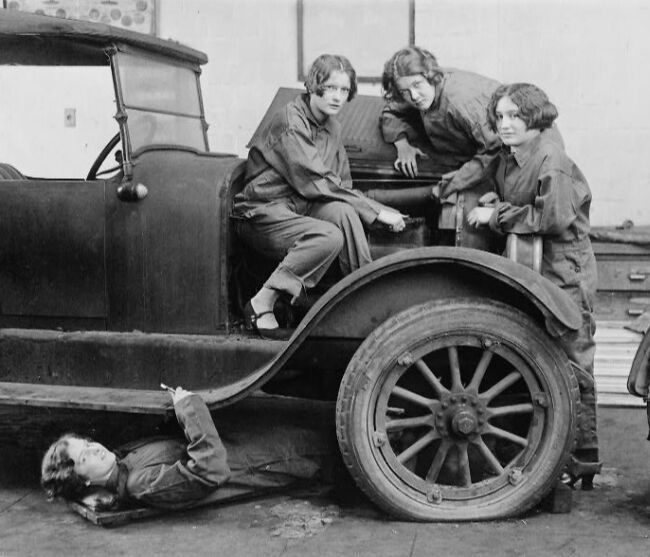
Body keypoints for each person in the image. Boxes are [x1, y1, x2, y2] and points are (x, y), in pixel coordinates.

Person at [466, 83, 601, 489]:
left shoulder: (550, 158)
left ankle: (583, 458)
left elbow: (552, 219)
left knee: (573, 355)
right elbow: (506, 188)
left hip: (565, 266)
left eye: (514, 117)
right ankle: (549, 454)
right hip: (533, 264)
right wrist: (493, 195)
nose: (505, 125)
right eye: (501, 117)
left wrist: (494, 216)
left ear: (534, 119)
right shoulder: (511, 157)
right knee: (538, 353)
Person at [234, 54, 405, 334]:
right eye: (331, 88)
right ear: (314, 85)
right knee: (328, 236)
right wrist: (376, 212)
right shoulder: (290, 120)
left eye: (344, 90)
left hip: (301, 205)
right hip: (263, 210)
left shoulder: (333, 127)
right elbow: (313, 179)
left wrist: (377, 210)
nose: (337, 97)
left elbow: (342, 185)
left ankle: (363, 300)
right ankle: (262, 301)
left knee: (344, 211)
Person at [41, 387, 337, 510]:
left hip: (244, 447)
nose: (94, 449)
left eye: (89, 443)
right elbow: (211, 471)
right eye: (84, 457)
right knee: (328, 444)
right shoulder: (137, 483)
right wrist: (188, 407)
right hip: (267, 461)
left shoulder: (122, 460)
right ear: (85, 480)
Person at [380, 45, 501, 192]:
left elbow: (494, 151)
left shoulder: (459, 102)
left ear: (430, 75)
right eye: (404, 91)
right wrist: (402, 144)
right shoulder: (417, 88)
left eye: (417, 85)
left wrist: (450, 185)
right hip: (463, 157)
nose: (414, 96)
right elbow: (390, 112)